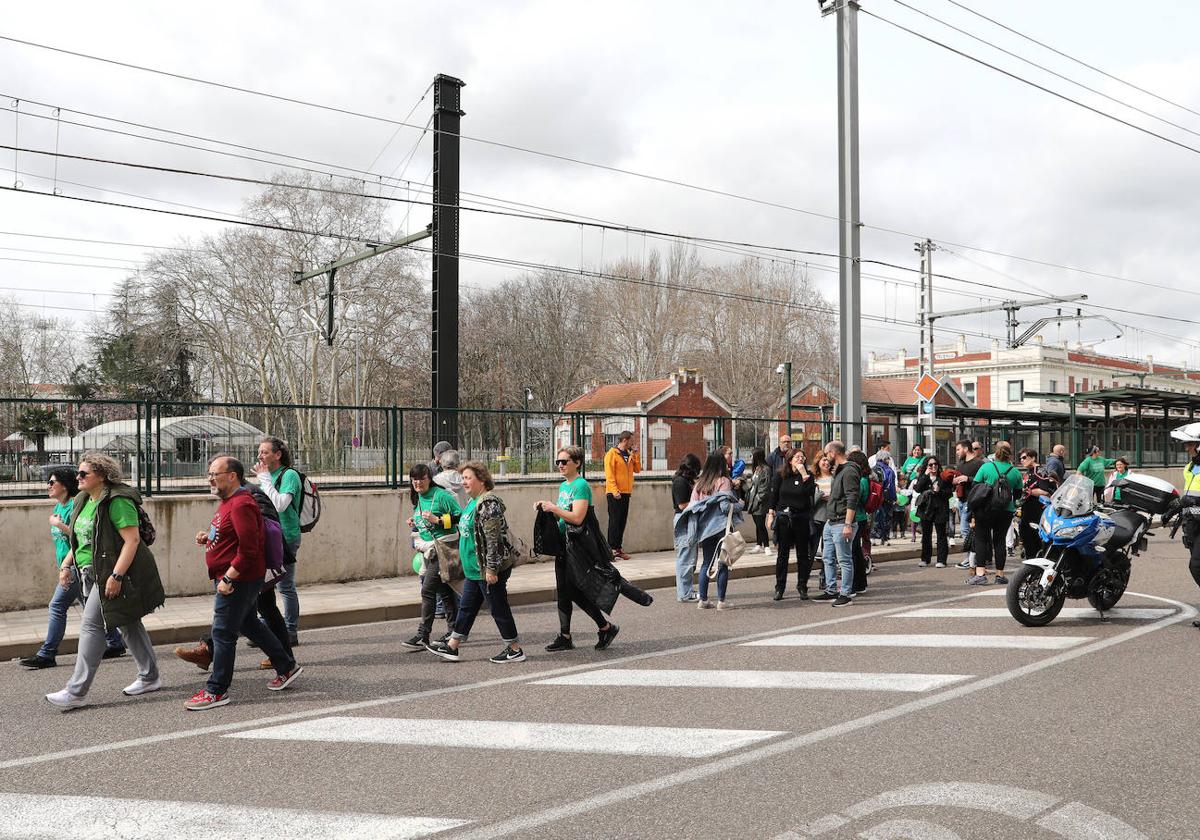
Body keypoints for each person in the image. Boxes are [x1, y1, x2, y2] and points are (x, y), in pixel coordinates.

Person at [44, 453, 164, 710]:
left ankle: (76, 691)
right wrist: (66, 565)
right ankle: (150, 676)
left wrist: (117, 575)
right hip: (88, 571)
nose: (78, 477)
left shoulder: (117, 501)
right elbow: (82, 539)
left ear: (102, 475)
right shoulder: (83, 500)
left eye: (84, 473)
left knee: (91, 626)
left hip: (109, 573)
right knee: (128, 623)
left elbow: (132, 541)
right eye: (79, 473)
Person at [185, 456, 302, 711]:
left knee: (223, 633)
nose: (210, 478)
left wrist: (229, 577)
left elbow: (250, 549)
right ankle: (286, 665)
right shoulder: (229, 502)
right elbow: (233, 536)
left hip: (239, 579)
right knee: (251, 625)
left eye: (215, 473)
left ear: (232, 476)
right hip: (238, 577)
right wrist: (209, 537)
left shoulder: (241, 504)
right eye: (209, 473)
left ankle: (216, 689)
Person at [21, 467, 125, 670]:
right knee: (92, 608)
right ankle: (115, 641)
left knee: (57, 606)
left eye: (52, 482)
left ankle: (47, 653)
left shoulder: (74, 507)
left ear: (65, 485)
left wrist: (59, 528)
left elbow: (80, 536)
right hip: (68, 566)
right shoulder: (59, 508)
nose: (48, 486)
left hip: (78, 565)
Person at [427, 462, 524, 663]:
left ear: (481, 479)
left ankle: (514, 649)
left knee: (498, 608)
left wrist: (491, 569)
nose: (464, 482)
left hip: (486, 570)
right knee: (467, 607)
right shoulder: (472, 503)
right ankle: (453, 646)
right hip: (474, 570)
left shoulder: (488, 504)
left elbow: (493, 540)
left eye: (468, 478)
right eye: (463, 478)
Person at [536, 446, 618, 651]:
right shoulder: (565, 486)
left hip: (577, 548)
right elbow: (563, 514)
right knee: (565, 591)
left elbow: (577, 518)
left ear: (577, 463)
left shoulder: (581, 486)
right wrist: (546, 508)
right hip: (564, 545)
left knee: (576, 591)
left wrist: (554, 508)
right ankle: (568, 635)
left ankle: (604, 627)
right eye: (558, 462)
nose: (560, 465)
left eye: (564, 461)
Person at [401, 463, 462, 652]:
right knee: (444, 591)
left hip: (443, 549)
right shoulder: (418, 496)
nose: (418, 482)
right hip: (428, 549)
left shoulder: (441, 495)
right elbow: (422, 519)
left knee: (427, 590)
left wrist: (438, 520)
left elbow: (460, 516)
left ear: (429, 478)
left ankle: (423, 635)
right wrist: (415, 522)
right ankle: (453, 631)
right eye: (414, 479)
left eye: (422, 478)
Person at [254, 436, 302, 647]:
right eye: (259, 451)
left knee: (285, 586)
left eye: (264, 452)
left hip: (286, 537)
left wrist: (264, 480)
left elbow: (280, 504)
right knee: (264, 585)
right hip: (267, 536)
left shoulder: (289, 475)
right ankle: (266, 629)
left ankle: (290, 630)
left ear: (278, 454)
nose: (260, 456)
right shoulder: (267, 475)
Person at [968, 442, 1023, 585]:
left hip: (985, 509)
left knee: (981, 539)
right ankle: (1000, 574)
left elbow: (975, 487)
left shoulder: (986, 467)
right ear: (1009, 454)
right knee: (999, 541)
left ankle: (980, 574)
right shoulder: (1015, 471)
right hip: (1006, 510)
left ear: (995, 453)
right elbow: (1017, 495)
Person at [815, 441, 860, 607]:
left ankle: (846, 594)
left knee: (844, 559)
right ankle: (831, 590)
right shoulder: (839, 470)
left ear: (833, 453)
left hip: (842, 522)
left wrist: (848, 524)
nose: (826, 458)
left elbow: (852, 498)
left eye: (827, 454)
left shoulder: (849, 471)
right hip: (831, 521)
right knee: (827, 557)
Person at [691, 451, 736, 609]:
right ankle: (721, 601)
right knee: (723, 563)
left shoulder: (700, 483)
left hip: (704, 528)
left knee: (706, 564)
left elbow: (693, 507)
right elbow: (725, 507)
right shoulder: (723, 481)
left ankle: (703, 599)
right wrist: (740, 504)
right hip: (721, 528)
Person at [603, 430, 641, 560]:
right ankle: (611, 549)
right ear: (625, 440)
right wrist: (614, 490)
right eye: (631, 440)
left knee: (622, 521)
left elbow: (638, 469)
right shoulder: (612, 454)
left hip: (626, 492)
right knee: (614, 521)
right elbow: (609, 474)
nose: (633, 443)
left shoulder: (628, 454)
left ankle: (618, 548)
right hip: (615, 493)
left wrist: (635, 454)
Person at [671, 453, 702, 601]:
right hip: (684, 520)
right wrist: (700, 503)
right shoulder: (679, 482)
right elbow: (682, 505)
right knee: (686, 558)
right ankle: (685, 593)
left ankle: (687, 590)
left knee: (690, 557)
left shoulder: (685, 480)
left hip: (688, 520)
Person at [1017, 448, 1057, 560]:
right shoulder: (1028, 472)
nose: (1022, 460)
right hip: (1027, 508)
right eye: (1020, 458)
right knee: (1026, 535)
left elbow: (1047, 491)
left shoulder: (1040, 471)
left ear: (1033, 457)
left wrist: (1031, 492)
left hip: (1037, 510)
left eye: (1024, 457)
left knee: (1034, 537)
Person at [952, 439, 985, 570]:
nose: (957, 453)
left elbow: (983, 482)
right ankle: (974, 558)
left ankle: (972, 559)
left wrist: (968, 479)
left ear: (966, 449)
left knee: (967, 530)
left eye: (958, 449)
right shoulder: (960, 464)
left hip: (972, 501)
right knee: (965, 530)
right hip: (961, 500)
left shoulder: (979, 463)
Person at [913, 456, 951, 568]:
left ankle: (941, 560)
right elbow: (917, 488)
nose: (933, 466)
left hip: (940, 508)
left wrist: (939, 491)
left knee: (941, 535)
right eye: (930, 465)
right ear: (927, 466)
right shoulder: (924, 477)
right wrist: (925, 475)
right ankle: (925, 559)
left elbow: (949, 493)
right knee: (926, 535)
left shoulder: (943, 477)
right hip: (926, 509)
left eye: (935, 464)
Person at [847, 450, 873, 594]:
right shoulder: (864, 478)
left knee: (854, 552)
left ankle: (856, 583)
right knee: (856, 551)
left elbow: (858, 499)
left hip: (857, 517)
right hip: (861, 517)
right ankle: (861, 583)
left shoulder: (861, 479)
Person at [810, 455, 834, 592]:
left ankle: (824, 577)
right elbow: (810, 500)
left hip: (831, 518)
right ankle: (804, 578)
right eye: (823, 460)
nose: (826, 463)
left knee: (828, 552)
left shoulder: (834, 478)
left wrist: (831, 497)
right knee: (811, 550)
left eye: (828, 460)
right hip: (816, 517)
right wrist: (820, 495)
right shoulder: (813, 479)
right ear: (818, 462)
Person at [744, 447, 772, 555]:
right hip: (753, 500)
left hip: (759, 502)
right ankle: (758, 544)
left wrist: (758, 499)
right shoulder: (756, 469)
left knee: (760, 524)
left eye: (752, 455)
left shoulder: (765, 469)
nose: (751, 457)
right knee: (757, 523)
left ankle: (766, 546)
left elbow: (764, 488)